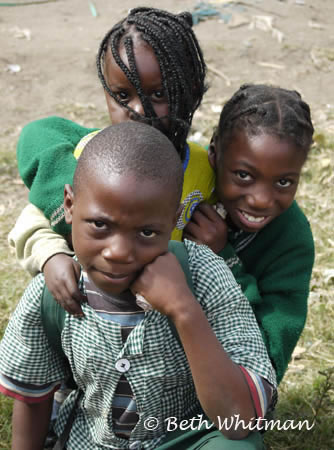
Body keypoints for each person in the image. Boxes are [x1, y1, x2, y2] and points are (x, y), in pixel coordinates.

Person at [0, 122, 276, 450]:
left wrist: (184, 309)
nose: (118, 252)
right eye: (100, 225)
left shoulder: (203, 274)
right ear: (70, 206)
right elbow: (33, 398)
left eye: (146, 232)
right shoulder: (52, 292)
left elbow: (239, 421)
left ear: (173, 219)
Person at [9, 6, 213, 316]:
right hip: (90, 312)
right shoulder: (94, 158)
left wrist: (216, 247)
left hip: (165, 318)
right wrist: (50, 256)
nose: (138, 110)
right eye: (121, 95)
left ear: (191, 91)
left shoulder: (204, 168)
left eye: (158, 94)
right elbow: (32, 222)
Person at [183, 84, 315, 384]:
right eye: (243, 175)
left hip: (223, 388)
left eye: (283, 182)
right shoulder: (186, 178)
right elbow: (52, 131)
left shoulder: (292, 240)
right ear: (214, 153)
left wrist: (223, 261)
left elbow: (270, 355)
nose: (261, 200)